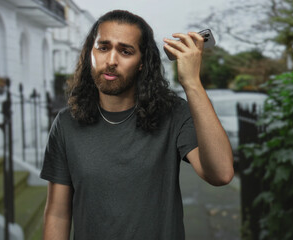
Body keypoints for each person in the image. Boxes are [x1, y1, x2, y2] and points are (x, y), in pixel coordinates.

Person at [40, 10, 234, 240]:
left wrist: (192, 83)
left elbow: (221, 173)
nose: (111, 61)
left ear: (142, 63)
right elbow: (58, 214)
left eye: (125, 51)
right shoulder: (66, 123)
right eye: (103, 47)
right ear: (90, 53)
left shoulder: (172, 113)